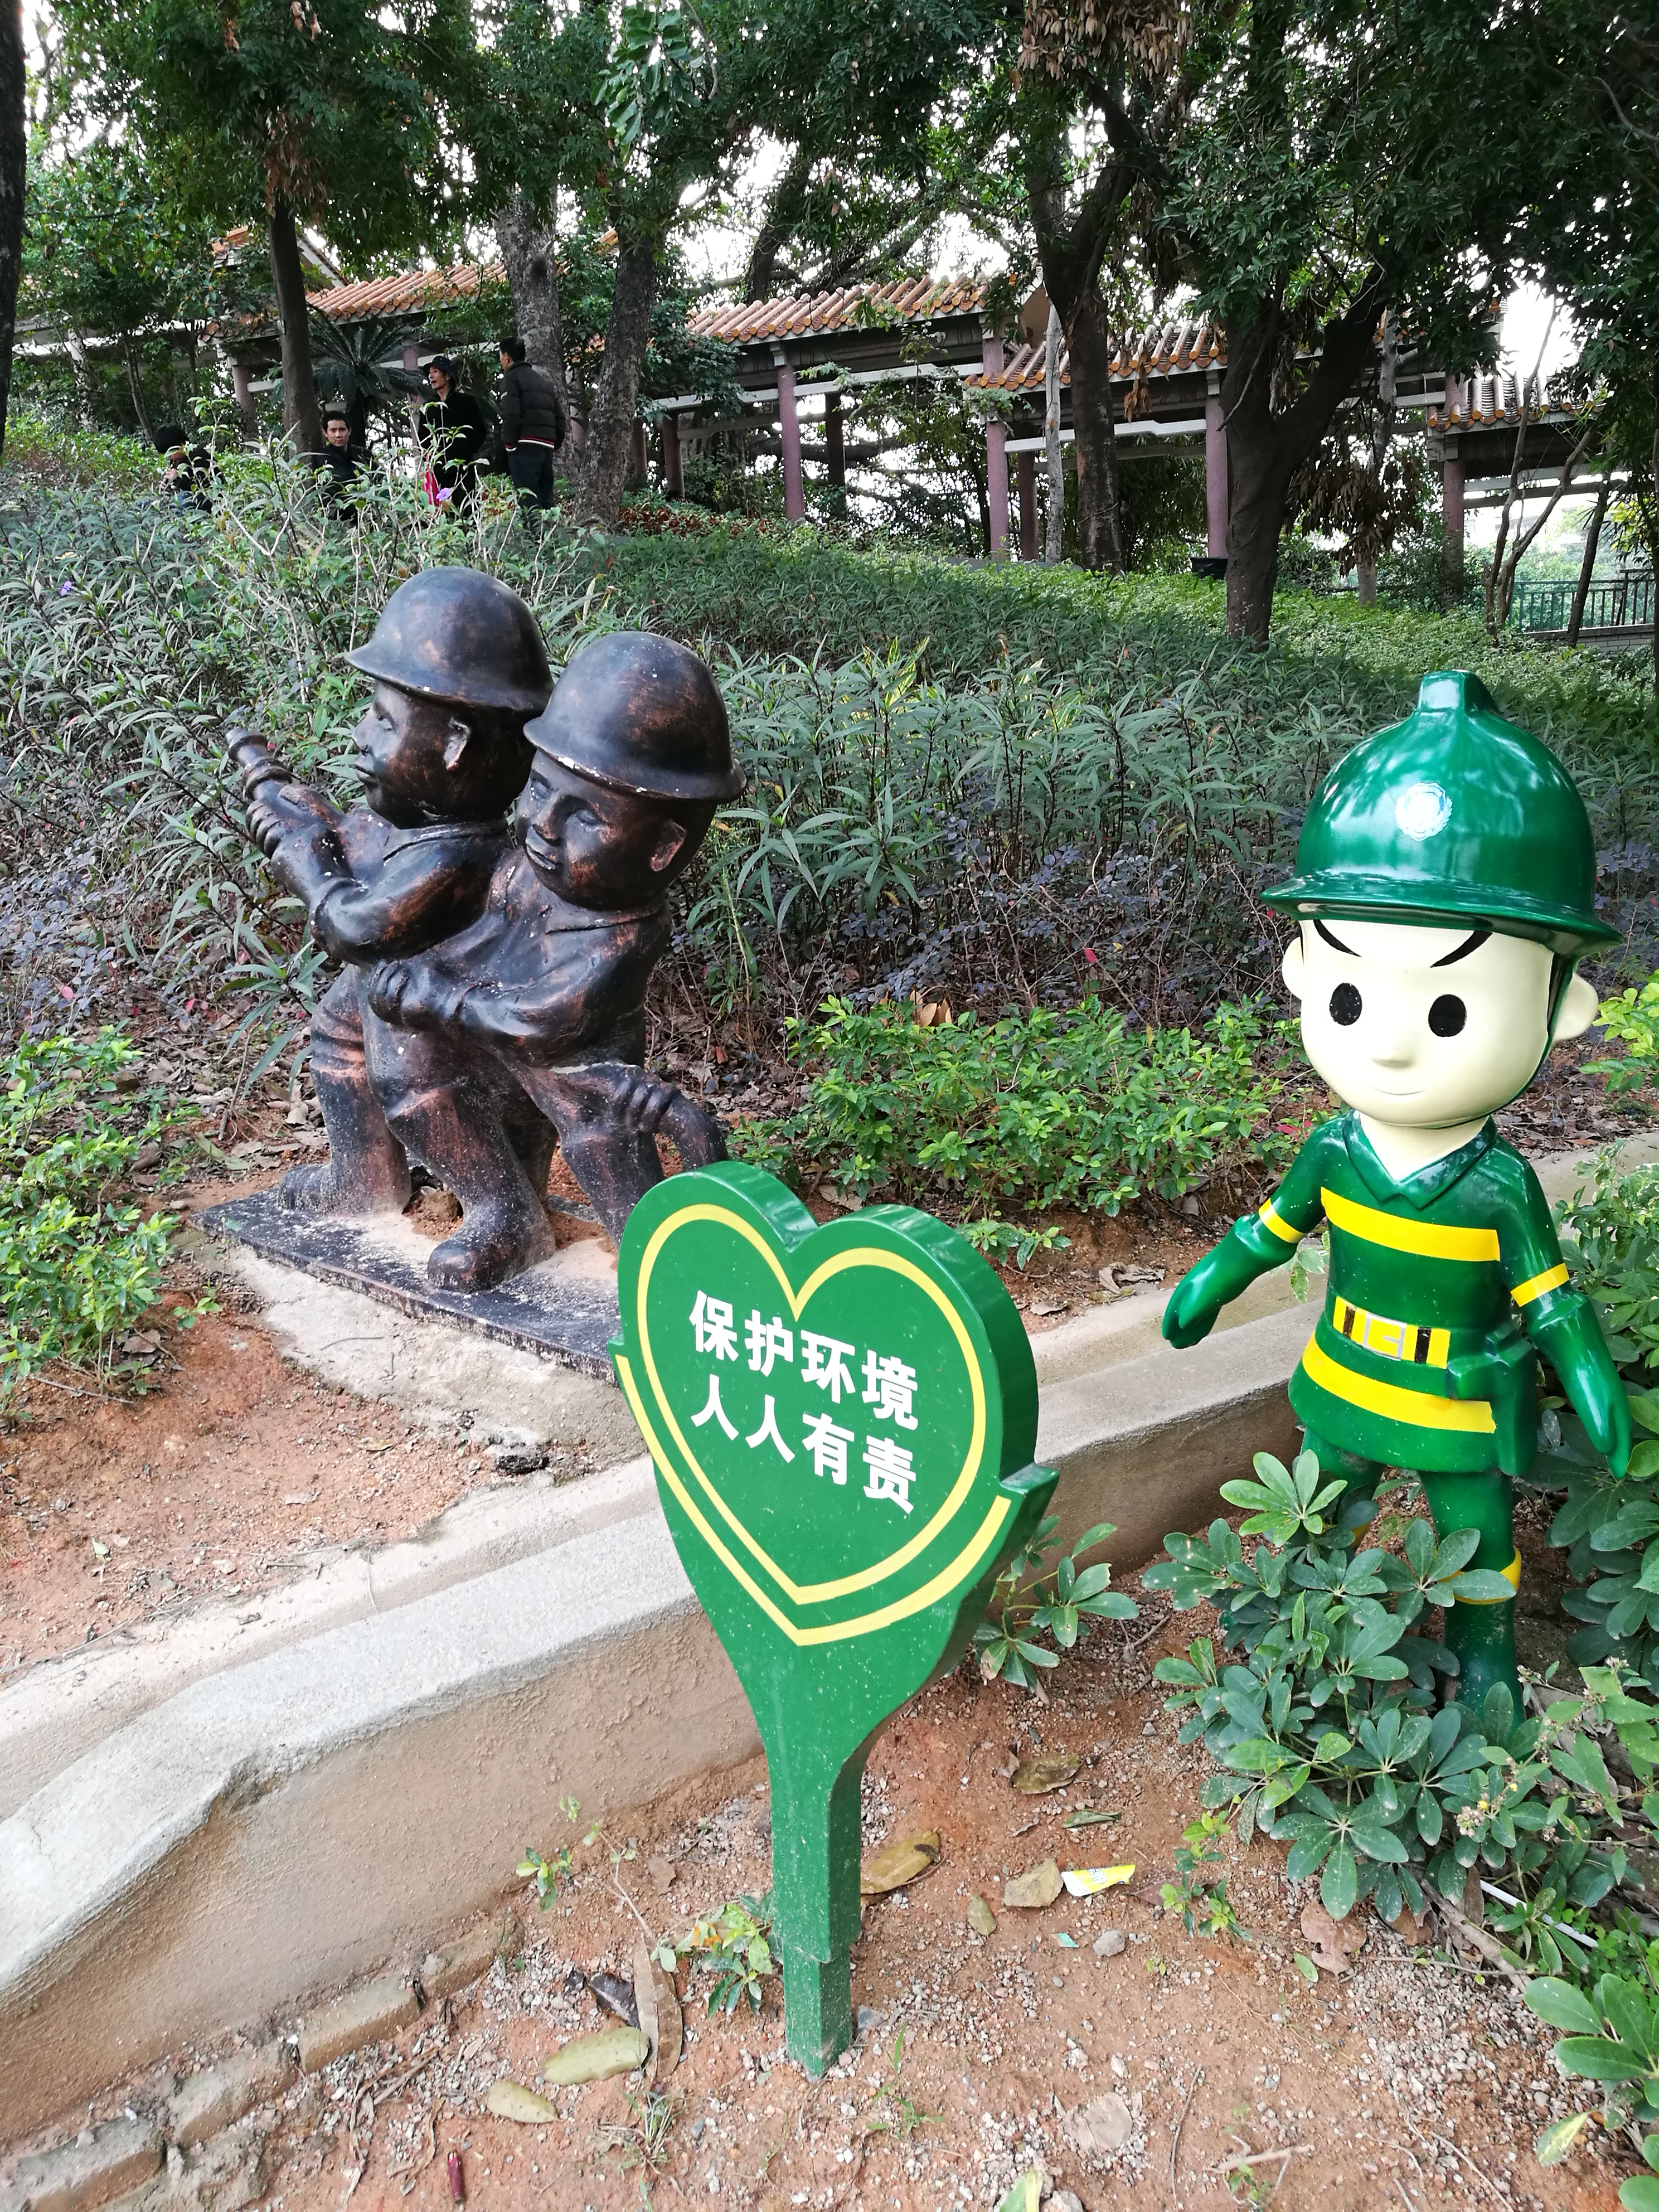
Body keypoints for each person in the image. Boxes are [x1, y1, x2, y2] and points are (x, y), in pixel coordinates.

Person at [1160, 670, 1630, 1710]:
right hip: (1344, 1375)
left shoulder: (1499, 1182)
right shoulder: (1335, 1148)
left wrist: (1584, 1367)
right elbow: (1269, 1230)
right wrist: (1213, 1275)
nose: (1391, 1039)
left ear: (1562, 1005)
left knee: (1478, 1525)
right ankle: (1303, 1637)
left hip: (1458, 1394)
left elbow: (1546, 1296)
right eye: (1347, 990)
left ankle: (1487, 1659)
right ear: (1300, 969)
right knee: (1323, 1504)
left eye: (1454, 1007)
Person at [365, 632, 743, 1287]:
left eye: (585, 816)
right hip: (486, 1046)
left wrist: (439, 996)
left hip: (578, 1078)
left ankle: (673, 1275)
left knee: (609, 1153)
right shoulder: (524, 872)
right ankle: (505, 1213)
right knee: (410, 1076)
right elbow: (476, 937)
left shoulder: (619, 933)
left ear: (664, 846)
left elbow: (544, 1019)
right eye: (539, 791)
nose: (544, 825)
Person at [226, 567, 552, 1221]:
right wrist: (321, 820)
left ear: (455, 744)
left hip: (459, 1032)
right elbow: (366, 843)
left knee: (404, 1077)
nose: (361, 736)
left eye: (383, 720)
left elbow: (357, 927)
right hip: (413, 1004)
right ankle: (366, 1177)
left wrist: (307, 858)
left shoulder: (458, 856)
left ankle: (505, 1212)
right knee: (340, 1030)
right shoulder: (425, 827)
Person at [496, 336, 566, 512]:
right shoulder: (543, 382)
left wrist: (510, 446)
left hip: (524, 447)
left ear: (507, 357)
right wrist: (553, 444)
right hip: (546, 447)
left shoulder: (511, 379)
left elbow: (511, 416)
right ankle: (549, 538)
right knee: (546, 501)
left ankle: (534, 538)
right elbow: (560, 419)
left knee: (528, 499)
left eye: (500, 356)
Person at [420, 357, 490, 513]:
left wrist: (466, 451)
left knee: (467, 511)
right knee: (443, 515)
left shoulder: (466, 402)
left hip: (463, 469)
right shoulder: (429, 407)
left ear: (448, 376)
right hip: (438, 472)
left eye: (436, 371)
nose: (431, 376)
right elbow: (423, 437)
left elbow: (480, 431)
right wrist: (432, 457)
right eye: (429, 373)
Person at [312, 411, 363, 521]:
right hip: (340, 513)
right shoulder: (323, 457)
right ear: (326, 433)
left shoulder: (362, 454)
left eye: (342, 430)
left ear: (349, 431)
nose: (338, 435)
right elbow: (341, 481)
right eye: (333, 431)